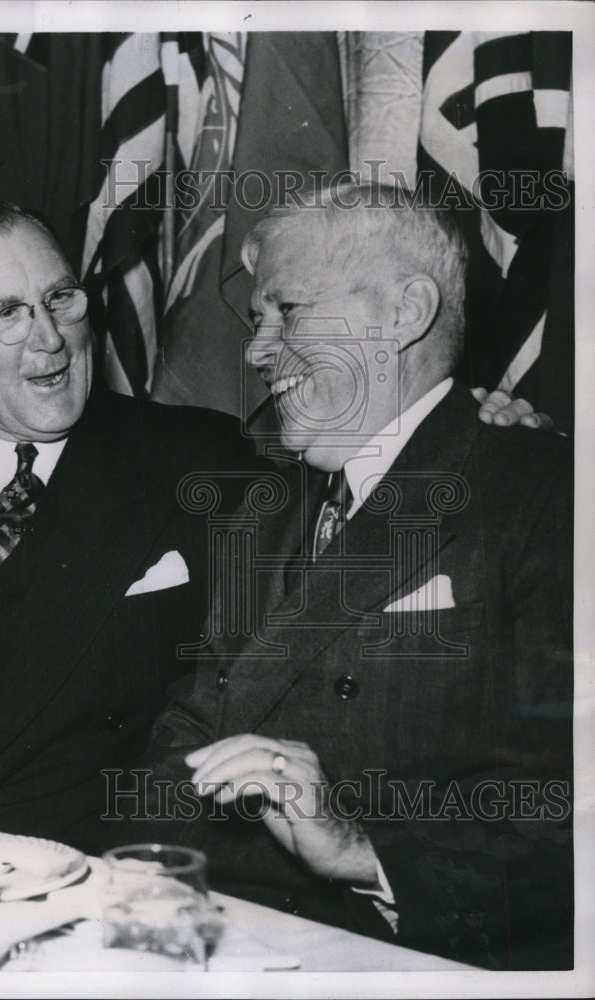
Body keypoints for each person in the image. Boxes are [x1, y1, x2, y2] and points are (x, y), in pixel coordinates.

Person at [101, 184, 573, 971]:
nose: (256, 351)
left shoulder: (550, 495)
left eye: (287, 312)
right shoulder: (267, 502)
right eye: (259, 321)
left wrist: (359, 848)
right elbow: (189, 726)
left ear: (404, 313)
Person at [0, 200, 251, 843]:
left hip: (90, 876)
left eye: (60, 297)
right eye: (6, 313)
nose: (50, 338)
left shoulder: (204, 461)